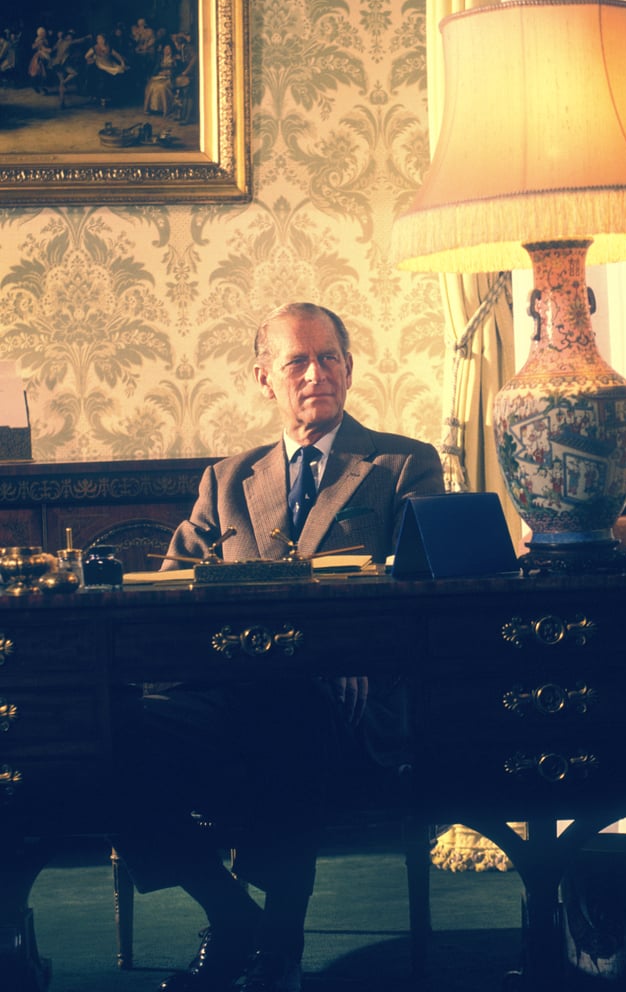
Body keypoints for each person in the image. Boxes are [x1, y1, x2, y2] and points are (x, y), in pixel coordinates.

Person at [113, 302, 444, 992]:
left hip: (351, 702)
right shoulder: (227, 479)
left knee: (290, 701)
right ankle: (235, 917)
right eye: (296, 360)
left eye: (328, 357)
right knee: (109, 732)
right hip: (227, 697)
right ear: (265, 377)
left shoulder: (402, 464)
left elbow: (423, 594)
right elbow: (170, 594)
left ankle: (280, 942)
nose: (315, 373)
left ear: (349, 368)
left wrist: (355, 656)